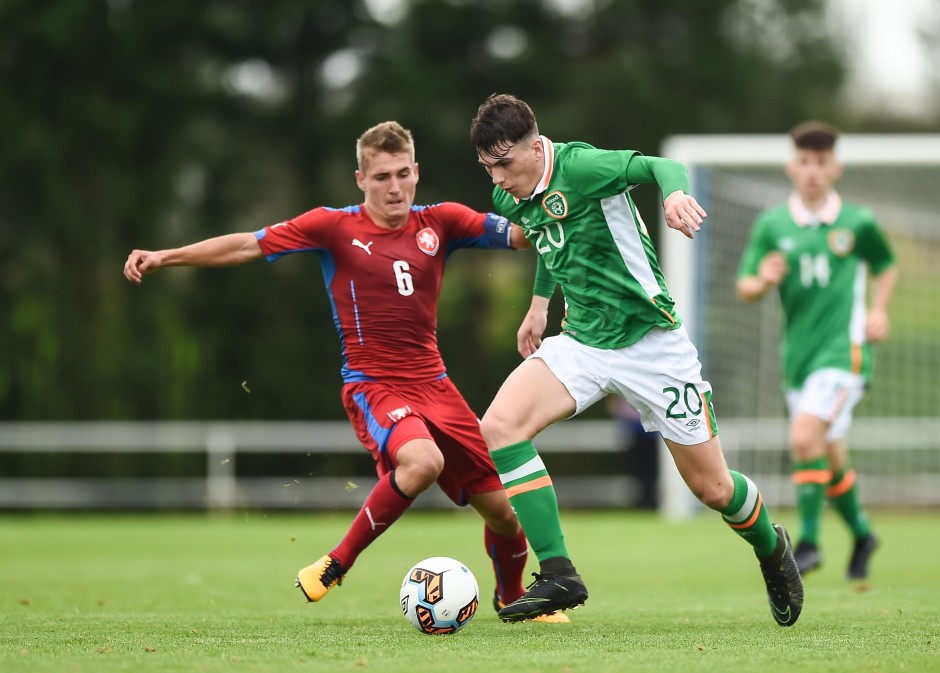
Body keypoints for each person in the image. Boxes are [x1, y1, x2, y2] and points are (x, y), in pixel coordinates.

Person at [123, 120, 571, 624]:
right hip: (374, 384)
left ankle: (512, 598)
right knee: (422, 462)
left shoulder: (441, 221)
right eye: (381, 177)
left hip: (436, 385)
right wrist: (166, 256)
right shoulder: (333, 227)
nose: (394, 187)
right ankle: (336, 563)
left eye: (402, 174)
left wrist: (554, 204)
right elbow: (247, 245)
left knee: (506, 512)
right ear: (361, 179)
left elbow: (530, 236)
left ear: (416, 172)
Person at [468, 93, 804, 626]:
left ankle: (771, 546)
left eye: (505, 164)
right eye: (488, 167)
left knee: (713, 488)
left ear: (536, 147)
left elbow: (662, 166)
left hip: (652, 344)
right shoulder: (511, 193)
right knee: (500, 427)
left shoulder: (583, 167)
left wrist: (674, 196)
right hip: (583, 341)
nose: (498, 179)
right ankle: (558, 572)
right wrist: (538, 304)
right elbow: (548, 235)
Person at [736, 121, 897, 581]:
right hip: (799, 359)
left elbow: (886, 265)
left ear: (835, 168)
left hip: (844, 353)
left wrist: (879, 311)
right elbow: (745, 286)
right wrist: (763, 279)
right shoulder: (772, 224)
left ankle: (807, 544)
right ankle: (863, 534)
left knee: (805, 438)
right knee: (828, 455)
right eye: (804, 161)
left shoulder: (858, 221)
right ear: (792, 166)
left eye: (821, 162)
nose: (812, 170)